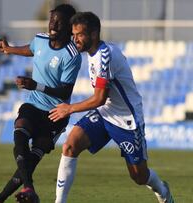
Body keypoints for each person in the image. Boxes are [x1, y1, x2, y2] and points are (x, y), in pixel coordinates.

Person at [49, 11, 174, 203]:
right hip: (105, 112)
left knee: (139, 176)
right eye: (73, 35)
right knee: (70, 145)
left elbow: (99, 98)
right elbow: (102, 102)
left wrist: (70, 108)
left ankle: (163, 190)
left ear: (93, 34)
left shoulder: (105, 56)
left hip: (127, 120)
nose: (75, 40)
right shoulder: (91, 53)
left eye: (79, 35)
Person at [0, 4, 81, 203]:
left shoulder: (72, 55)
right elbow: (31, 49)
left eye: (59, 22)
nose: (53, 24)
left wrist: (35, 85)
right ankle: (28, 189)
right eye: (52, 20)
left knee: (31, 160)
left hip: (56, 113)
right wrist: (9, 49)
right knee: (20, 135)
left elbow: (65, 91)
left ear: (69, 26)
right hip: (33, 105)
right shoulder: (40, 39)